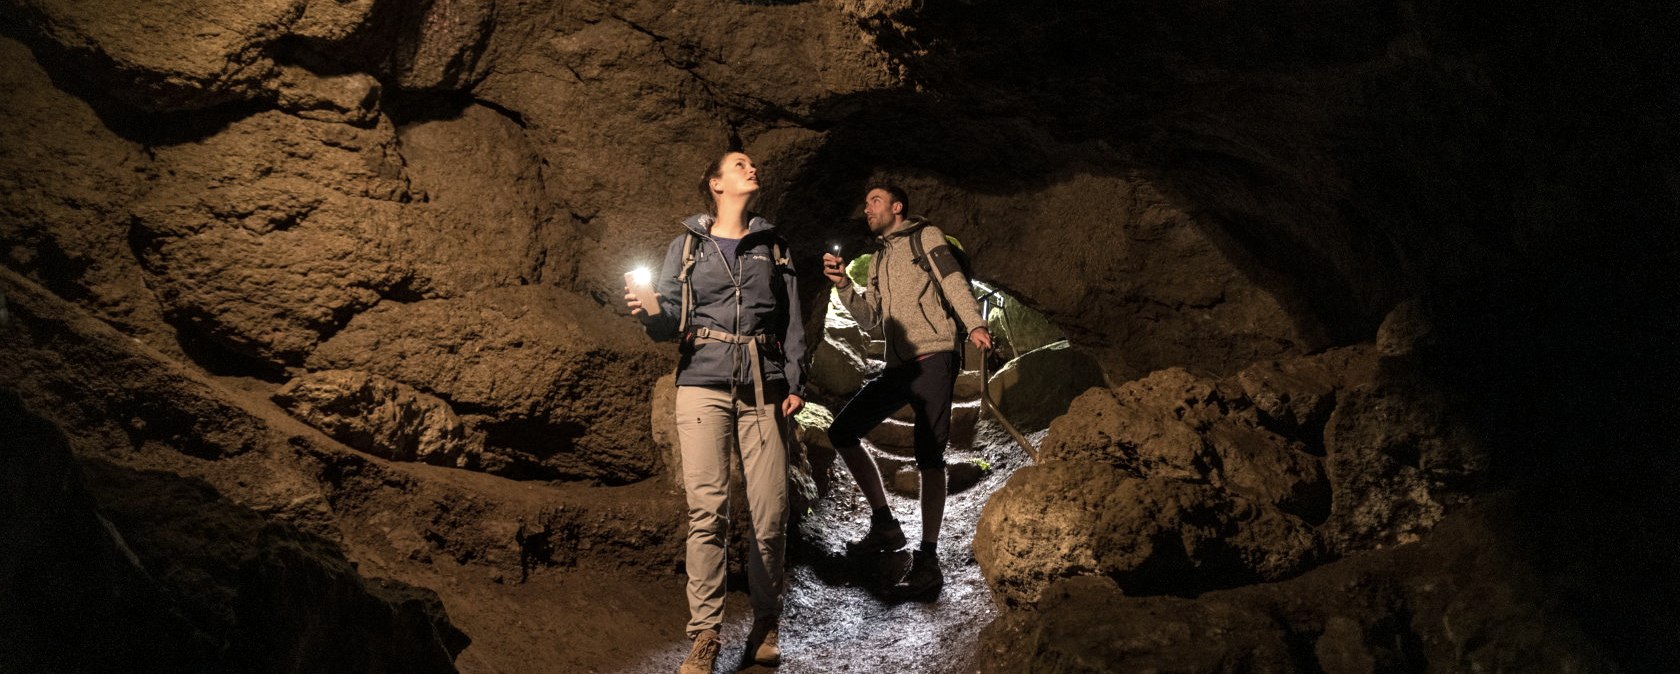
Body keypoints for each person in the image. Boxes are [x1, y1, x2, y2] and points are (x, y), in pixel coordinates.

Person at [627, 150, 807, 674]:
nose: (752, 169)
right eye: (740, 165)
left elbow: (792, 318)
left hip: (763, 386)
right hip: (702, 382)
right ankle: (705, 634)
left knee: (770, 516)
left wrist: (795, 380)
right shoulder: (686, 246)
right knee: (707, 512)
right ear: (716, 183)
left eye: (752, 165)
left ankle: (765, 624)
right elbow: (669, 325)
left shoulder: (773, 246)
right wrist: (650, 311)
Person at [821, 184, 991, 598]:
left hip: (934, 357)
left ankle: (928, 558)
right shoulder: (878, 258)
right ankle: (885, 524)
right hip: (899, 366)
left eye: (875, 201)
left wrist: (974, 323)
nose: (867, 209)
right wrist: (844, 285)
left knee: (929, 455)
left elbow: (952, 281)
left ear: (897, 207)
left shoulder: (925, 237)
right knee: (842, 431)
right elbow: (871, 319)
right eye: (866, 203)